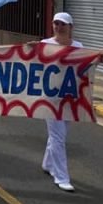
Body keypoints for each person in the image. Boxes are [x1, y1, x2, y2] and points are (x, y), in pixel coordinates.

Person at [40, 12, 83, 192]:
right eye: (56, 23)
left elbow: (86, 66)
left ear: (70, 27)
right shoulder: (44, 44)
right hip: (51, 98)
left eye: (63, 24)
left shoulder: (79, 47)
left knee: (60, 134)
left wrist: (100, 57)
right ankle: (61, 177)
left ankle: (47, 163)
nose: (59, 27)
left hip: (70, 97)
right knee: (58, 137)